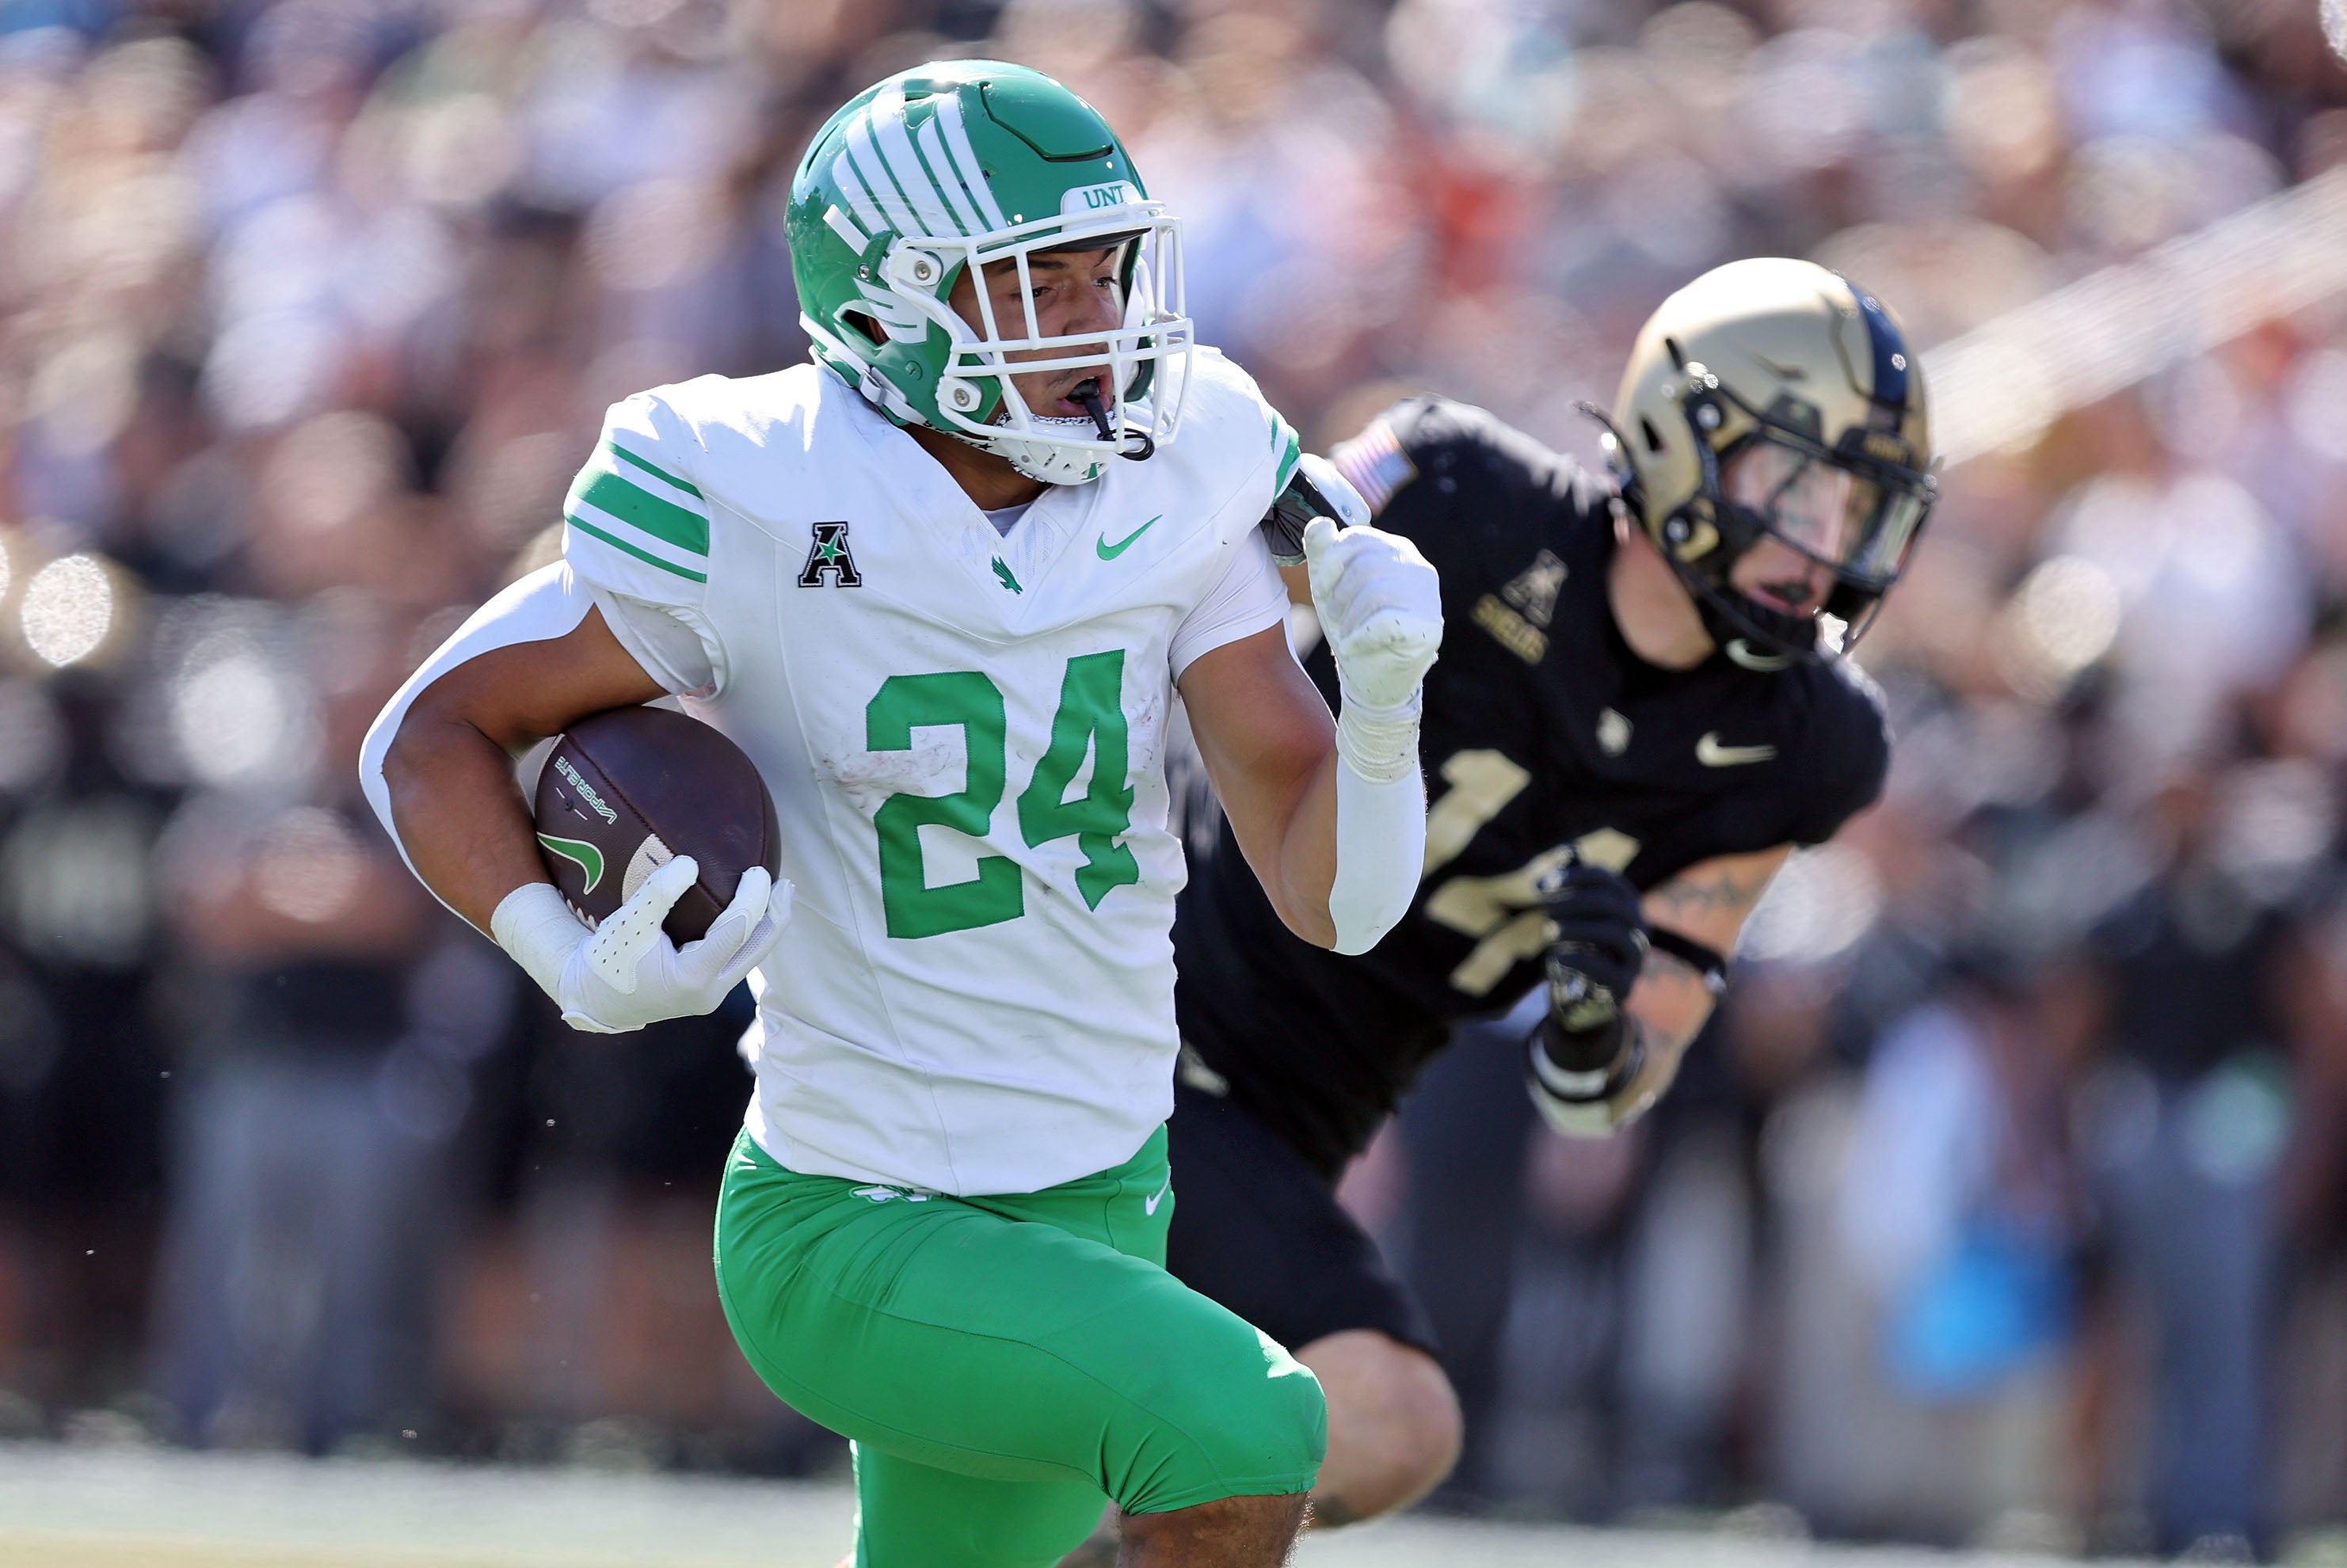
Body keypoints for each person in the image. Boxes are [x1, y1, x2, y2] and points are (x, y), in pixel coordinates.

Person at [357, 62, 1443, 1568]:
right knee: (1245, 1421)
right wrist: (562, 953)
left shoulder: (1182, 462)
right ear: (888, 307)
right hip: (853, 1216)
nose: (1099, 323)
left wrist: (1383, 718)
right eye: (1037, 286)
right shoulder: (751, 481)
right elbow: (432, 733)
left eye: (1105, 272)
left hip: (1104, 1194)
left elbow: (1342, 903)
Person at [1143, 257, 1935, 1531]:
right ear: (1684, 442)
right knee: (1377, 1421)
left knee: (1360, 1433)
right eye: (1793, 484)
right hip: (1127, 992)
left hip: (1287, 1117)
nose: (1823, 542)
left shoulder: (1810, 744)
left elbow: (1617, 1076)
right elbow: (1177, 593)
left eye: (1852, 505)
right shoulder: (1461, 487)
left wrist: (1590, 1021)